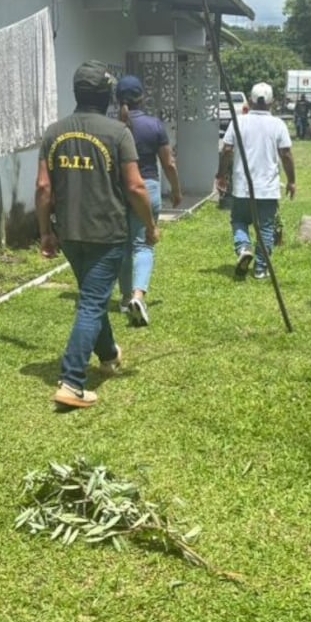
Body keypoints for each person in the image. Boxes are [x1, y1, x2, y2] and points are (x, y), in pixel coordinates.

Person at [36, 61, 159, 409]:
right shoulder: (118, 133)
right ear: (107, 94)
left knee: (92, 293)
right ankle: (72, 381)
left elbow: (44, 187)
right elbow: (135, 186)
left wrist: (45, 231)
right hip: (106, 232)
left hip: (70, 233)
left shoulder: (53, 132)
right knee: (93, 301)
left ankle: (107, 354)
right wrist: (150, 226)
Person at [114, 75, 182, 327]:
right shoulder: (154, 125)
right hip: (148, 189)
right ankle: (138, 295)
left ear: (117, 99)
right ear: (142, 97)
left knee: (122, 246)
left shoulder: (114, 127)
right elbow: (169, 163)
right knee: (144, 244)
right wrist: (176, 190)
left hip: (120, 192)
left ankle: (124, 298)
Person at [215, 82, 295, 280]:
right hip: (267, 188)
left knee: (239, 220)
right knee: (265, 227)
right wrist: (292, 180)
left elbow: (226, 150)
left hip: (243, 186)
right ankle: (261, 269)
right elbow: (286, 154)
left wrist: (221, 175)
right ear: (272, 102)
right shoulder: (278, 125)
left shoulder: (238, 122)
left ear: (250, 100)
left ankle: (243, 247)